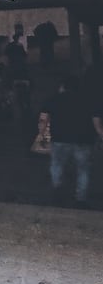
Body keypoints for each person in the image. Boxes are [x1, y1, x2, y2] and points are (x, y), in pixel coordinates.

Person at [38, 75, 103, 208]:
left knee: (57, 165)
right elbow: (97, 126)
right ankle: (81, 199)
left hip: (60, 139)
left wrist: (42, 135)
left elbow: (43, 120)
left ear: (63, 86)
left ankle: (57, 191)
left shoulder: (53, 99)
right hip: (84, 141)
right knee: (83, 170)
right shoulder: (90, 101)